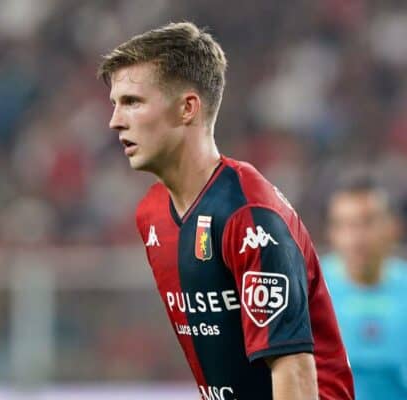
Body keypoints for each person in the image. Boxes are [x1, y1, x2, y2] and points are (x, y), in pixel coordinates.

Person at [98, 22, 354, 400]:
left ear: (187, 108)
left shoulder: (248, 216)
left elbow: (294, 372)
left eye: (133, 102)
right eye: (115, 104)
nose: (115, 120)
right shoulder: (151, 213)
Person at [322, 173, 407, 399]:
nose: (356, 238)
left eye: (368, 222)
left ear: (393, 227)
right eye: (346, 225)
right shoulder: (310, 292)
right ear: (332, 233)